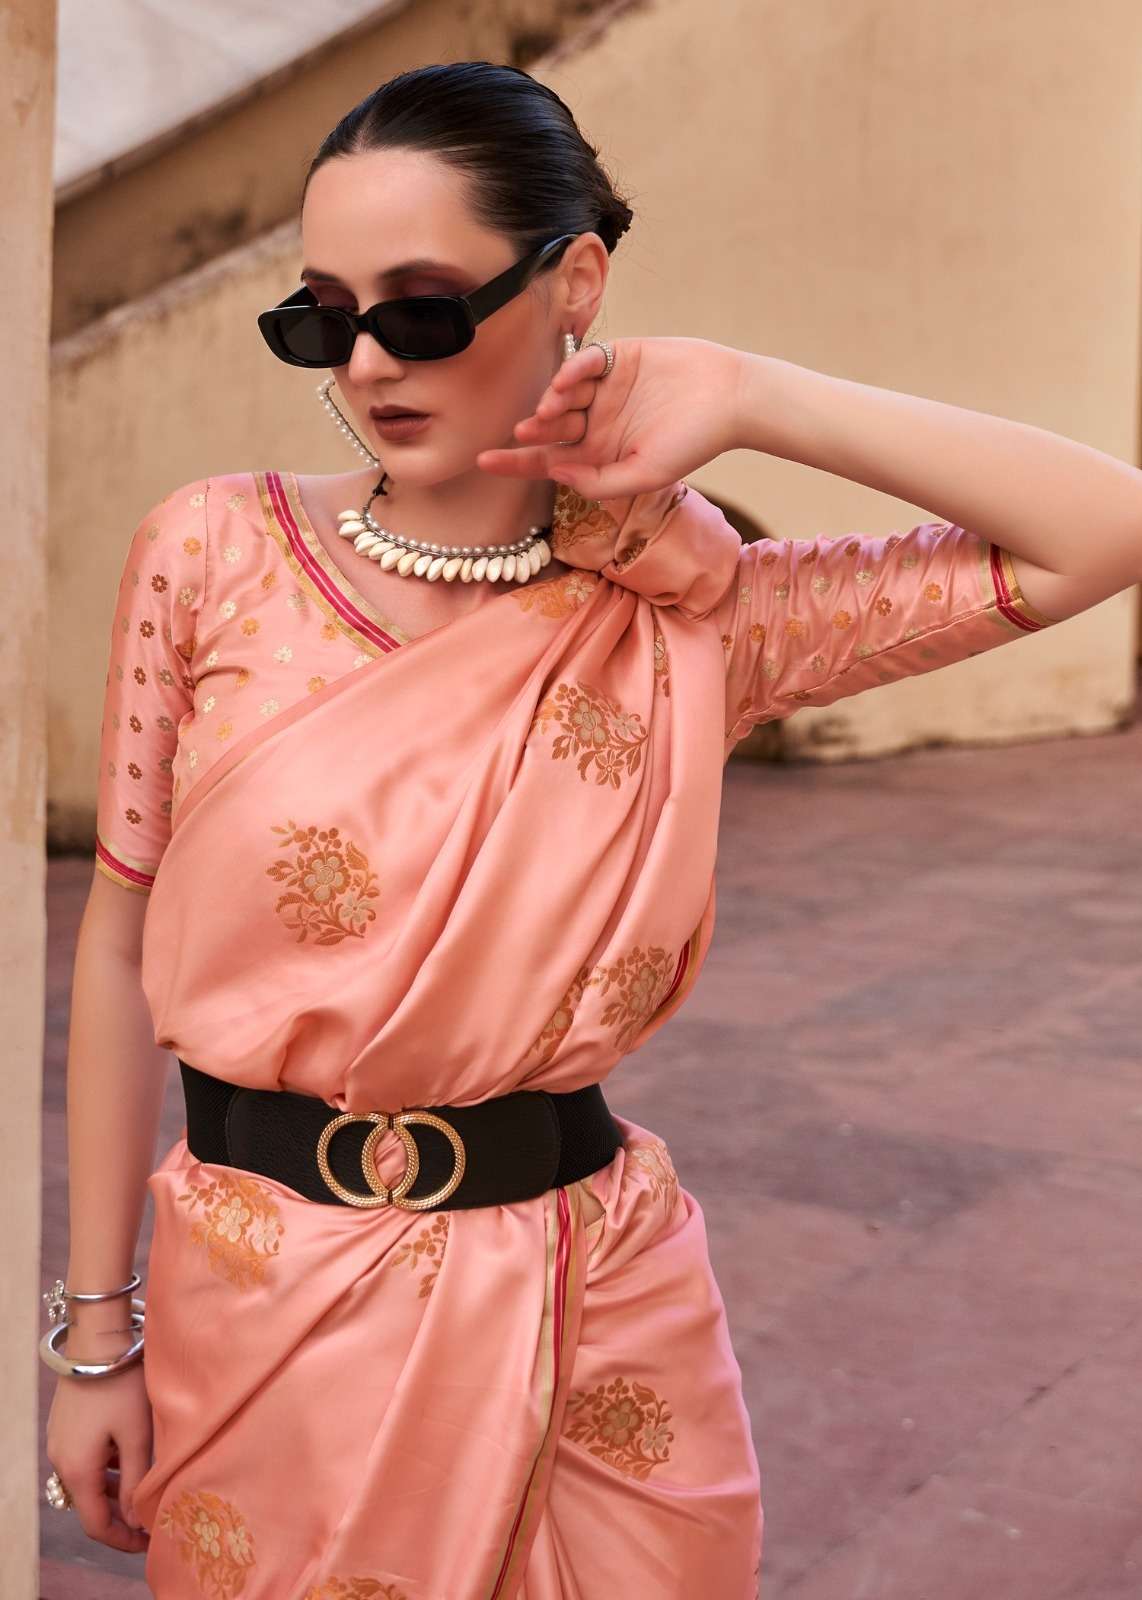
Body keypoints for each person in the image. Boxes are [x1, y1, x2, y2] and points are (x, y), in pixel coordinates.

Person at [41, 57, 1142, 1600]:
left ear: (572, 286)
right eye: (322, 318)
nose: (367, 364)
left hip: (593, 1311)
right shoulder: (214, 552)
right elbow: (117, 948)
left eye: (422, 310)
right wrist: (96, 1336)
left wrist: (755, 394)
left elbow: (1104, 528)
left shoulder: (695, 616)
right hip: (267, 1300)